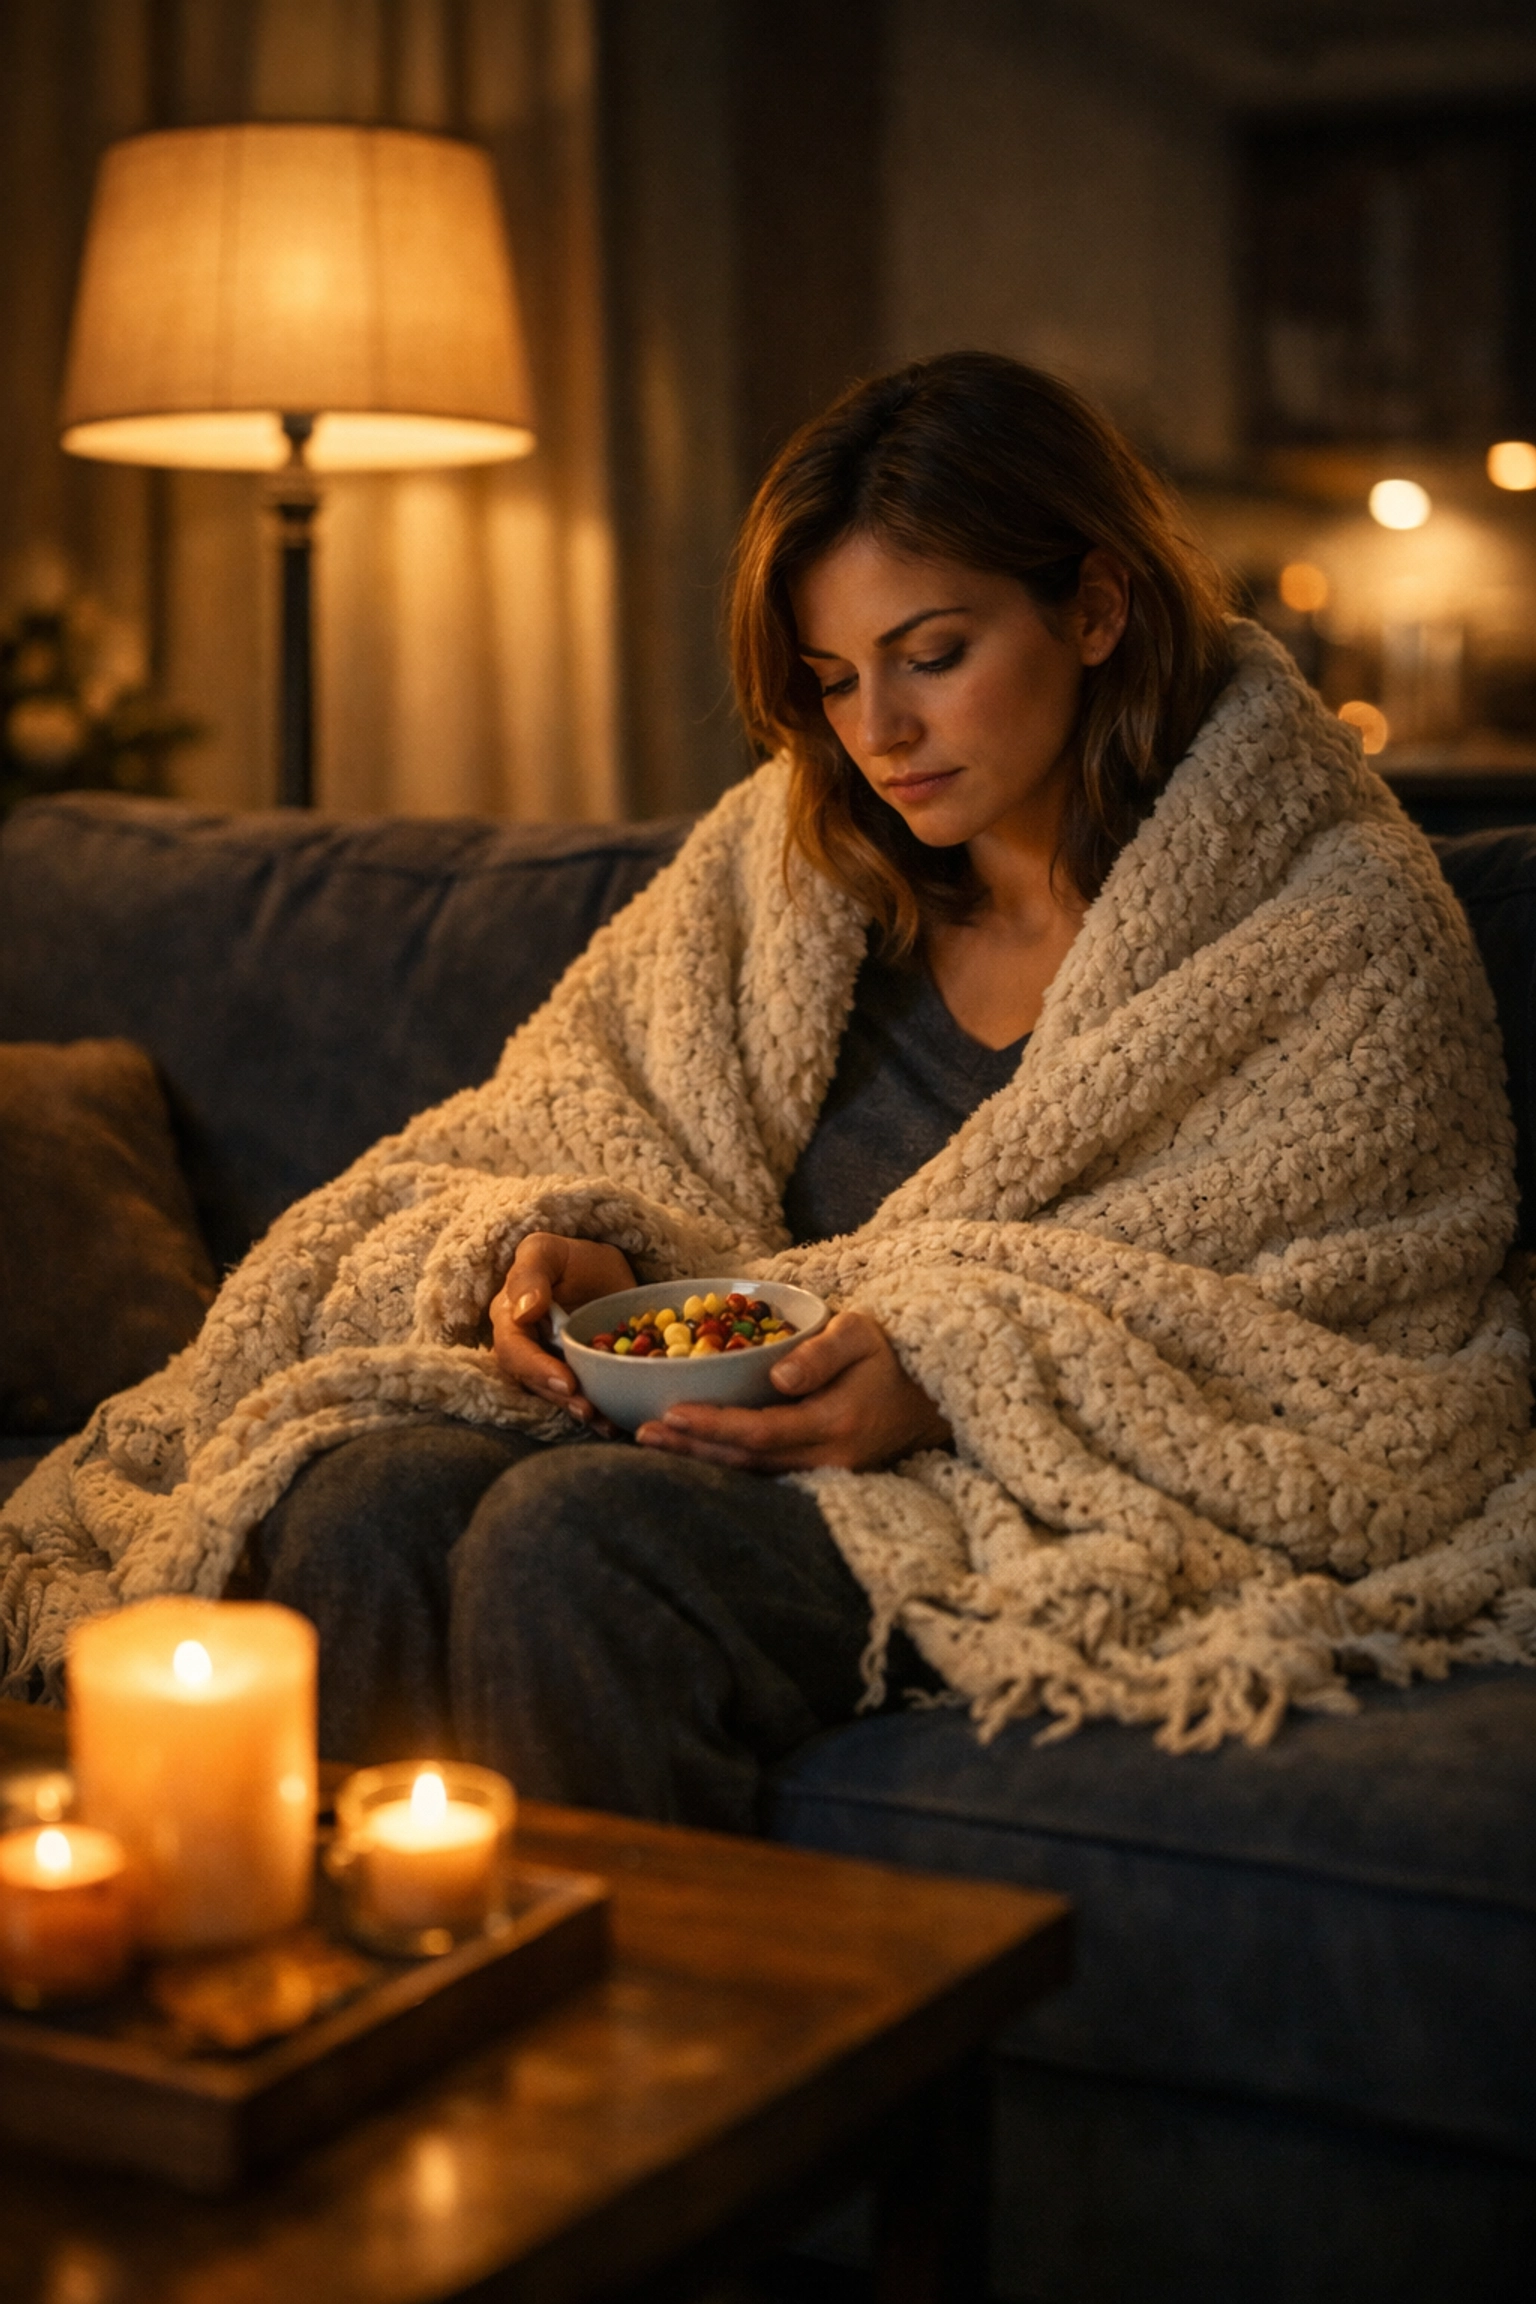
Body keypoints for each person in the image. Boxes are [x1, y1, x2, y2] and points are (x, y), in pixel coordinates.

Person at [7, 354, 1526, 1813]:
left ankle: (636, 2068)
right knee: (360, 1500)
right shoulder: (787, 861)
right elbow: (571, 1114)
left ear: (1096, 607)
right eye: (834, 679)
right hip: (676, 1421)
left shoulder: (1329, 922)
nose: (881, 733)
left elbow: (1347, 1339)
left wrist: (958, 1377)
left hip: (976, 1486)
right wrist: (564, 1245)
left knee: (576, 1549)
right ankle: (365, 2017)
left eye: (934, 656)